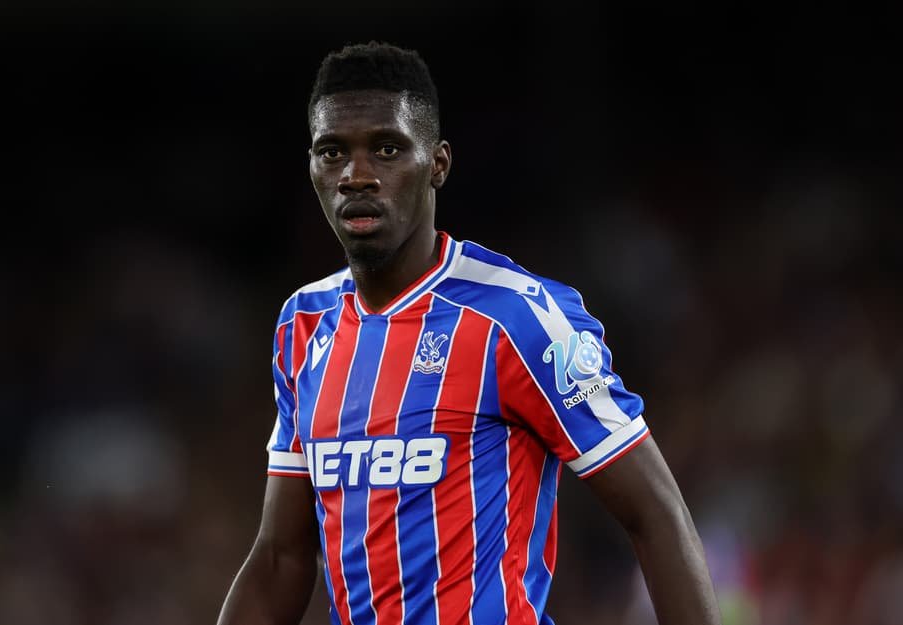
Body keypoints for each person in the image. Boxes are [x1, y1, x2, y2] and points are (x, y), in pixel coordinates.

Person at [217, 42, 720, 625]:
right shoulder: (304, 324)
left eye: (386, 149)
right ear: (311, 167)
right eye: (333, 153)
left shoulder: (517, 318)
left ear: (438, 164)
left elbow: (655, 514)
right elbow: (280, 559)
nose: (357, 175)